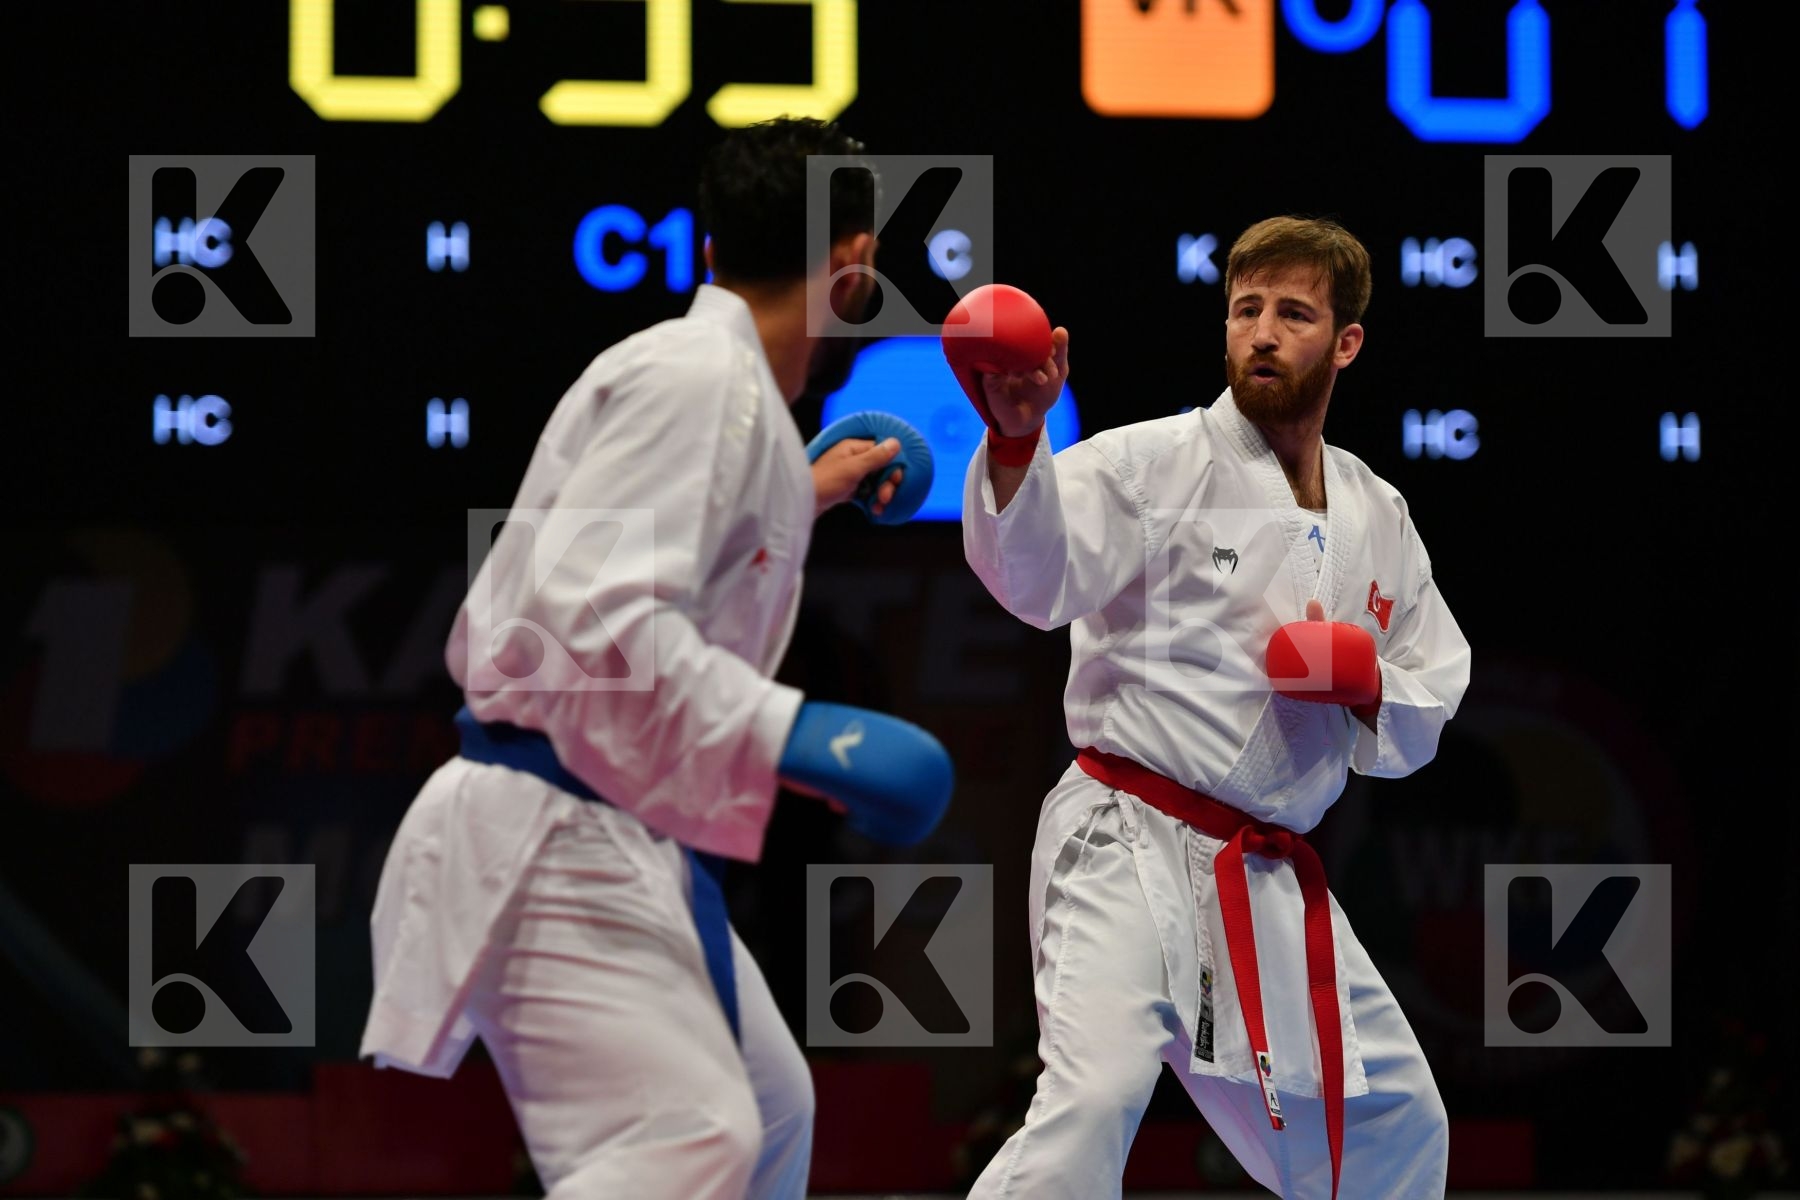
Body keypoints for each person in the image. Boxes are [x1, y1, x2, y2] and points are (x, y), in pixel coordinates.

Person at [359, 117, 953, 1200]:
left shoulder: (721, 394)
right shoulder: (699, 384)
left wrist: (791, 495)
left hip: (621, 822)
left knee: (772, 1116)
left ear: (713, 241)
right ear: (853, 264)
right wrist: (800, 732)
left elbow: (633, 587)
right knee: (692, 1138)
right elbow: (595, 626)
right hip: (549, 829)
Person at [954, 216, 1471, 1199]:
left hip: (1264, 873)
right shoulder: (1154, 464)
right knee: (1094, 1101)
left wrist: (1367, 684)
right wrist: (1018, 440)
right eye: (1246, 310)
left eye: (1294, 313)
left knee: (1396, 1120)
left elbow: (1429, 688)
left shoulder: (1378, 511)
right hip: (1127, 839)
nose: (1263, 332)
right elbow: (1037, 580)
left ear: (1346, 342)